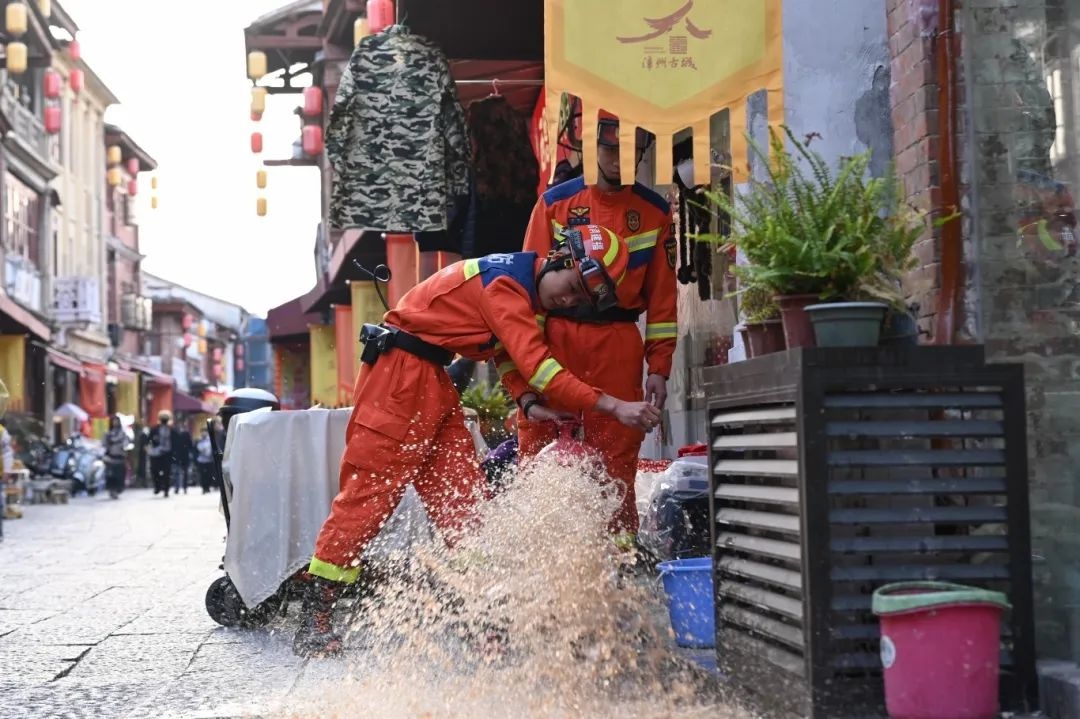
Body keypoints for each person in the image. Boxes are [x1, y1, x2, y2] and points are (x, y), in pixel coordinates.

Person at [293, 224, 662, 657]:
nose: (569, 300)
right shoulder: (504, 284)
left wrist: (526, 402)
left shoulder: (515, 290)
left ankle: (480, 618)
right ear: (560, 260)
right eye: (572, 287)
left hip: (428, 380)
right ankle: (314, 617)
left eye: (581, 299)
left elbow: (506, 352)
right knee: (370, 497)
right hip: (400, 378)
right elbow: (537, 364)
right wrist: (615, 407)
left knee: (464, 505)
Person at [507, 110, 677, 543]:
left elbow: (661, 301)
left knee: (616, 456)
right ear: (590, 147)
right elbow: (529, 290)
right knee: (540, 445)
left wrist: (659, 367)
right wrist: (529, 370)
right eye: (609, 148)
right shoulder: (554, 204)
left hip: (618, 345)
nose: (620, 158)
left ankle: (618, 558)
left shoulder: (653, 213)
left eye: (630, 150)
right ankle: (542, 553)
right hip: (557, 341)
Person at [147, 411, 176, 498]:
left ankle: (166, 489)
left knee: (167, 472)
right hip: (156, 453)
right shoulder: (154, 429)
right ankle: (157, 486)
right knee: (154, 471)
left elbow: (176, 442)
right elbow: (149, 440)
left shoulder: (172, 430)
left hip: (167, 453)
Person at [103, 415, 127, 500]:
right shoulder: (108, 433)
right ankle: (112, 490)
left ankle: (118, 489)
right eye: (113, 421)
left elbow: (126, 443)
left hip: (120, 456)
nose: (115, 423)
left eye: (117, 421)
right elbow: (104, 445)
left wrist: (122, 446)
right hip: (111, 457)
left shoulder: (123, 433)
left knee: (120, 475)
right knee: (110, 475)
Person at [172, 426, 193, 495]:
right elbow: (190, 445)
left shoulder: (175, 433)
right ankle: (182, 487)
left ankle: (179, 487)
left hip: (179, 455)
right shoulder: (185, 434)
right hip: (182, 455)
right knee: (181, 472)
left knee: (178, 472)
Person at [194, 428, 215, 494]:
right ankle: (204, 487)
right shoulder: (199, 440)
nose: (203, 433)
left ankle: (208, 486)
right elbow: (196, 449)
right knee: (203, 475)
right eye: (202, 432)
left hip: (209, 460)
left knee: (209, 475)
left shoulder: (210, 439)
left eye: (205, 432)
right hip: (201, 460)